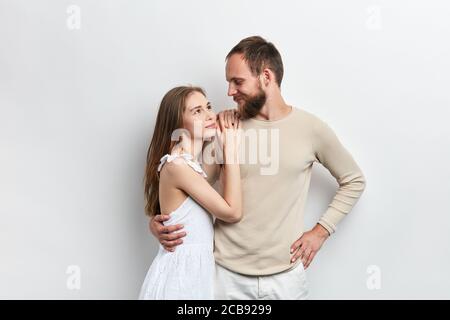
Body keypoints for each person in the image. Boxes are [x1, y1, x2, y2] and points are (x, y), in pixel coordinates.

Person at [150, 36, 367, 300]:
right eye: (228, 83)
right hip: (224, 276)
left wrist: (321, 231)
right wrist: (160, 221)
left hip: (286, 277)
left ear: (266, 76)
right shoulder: (224, 127)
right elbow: (189, 185)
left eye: (237, 81)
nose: (229, 92)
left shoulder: (311, 129)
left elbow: (354, 179)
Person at [139, 86, 242, 299]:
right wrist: (231, 151)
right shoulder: (177, 166)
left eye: (208, 107)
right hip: (179, 281)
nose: (209, 115)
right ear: (178, 124)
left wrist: (228, 123)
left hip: (194, 276)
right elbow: (232, 212)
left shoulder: (191, 166)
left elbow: (212, 169)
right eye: (197, 111)